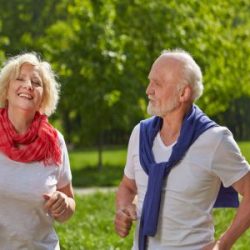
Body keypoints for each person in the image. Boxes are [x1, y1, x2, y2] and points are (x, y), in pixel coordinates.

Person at [114, 49, 250, 250]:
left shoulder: (214, 139)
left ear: (183, 93)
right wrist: (124, 209)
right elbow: (128, 186)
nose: (148, 90)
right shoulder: (140, 134)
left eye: (157, 84)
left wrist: (222, 244)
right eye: (149, 81)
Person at [0, 52, 75, 249]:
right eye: (20, 78)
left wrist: (64, 204)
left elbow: (69, 206)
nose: (28, 85)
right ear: (6, 90)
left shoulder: (54, 141)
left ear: (43, 98)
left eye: (36, 82)